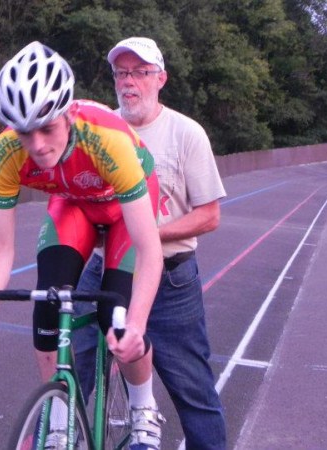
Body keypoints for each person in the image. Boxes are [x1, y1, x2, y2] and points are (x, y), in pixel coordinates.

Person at [0, 41, 166, 449]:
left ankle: (143, 408)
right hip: (74, 205)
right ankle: (59, 418)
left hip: (124, 211)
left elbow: (149, 247)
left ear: (69, 114)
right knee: (47, 303)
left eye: (47, 128)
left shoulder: (107, 139)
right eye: (23, 132)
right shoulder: (6, 154)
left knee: (116, 318)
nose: (37, 145)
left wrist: (136, 322)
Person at [72, 37, 228, 449]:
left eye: (140, 73)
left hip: (171, 280)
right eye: (122, 73)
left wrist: (144, 235)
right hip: (103, 270)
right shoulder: (98, 127)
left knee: (193, 391)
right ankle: (56, 435)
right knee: (74, 370)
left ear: (161, 78)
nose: (129, 82)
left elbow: (209, 215)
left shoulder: (185, 134)